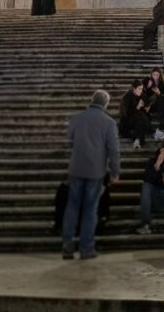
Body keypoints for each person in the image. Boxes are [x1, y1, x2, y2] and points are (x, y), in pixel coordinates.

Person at [62, 90, 121, 260]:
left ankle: (67, 247)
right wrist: (115, 172)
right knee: (90, 210)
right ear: (106, 104)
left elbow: (70, 138)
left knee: (72, 207)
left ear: (92, 100)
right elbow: (114, 150)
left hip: (76, 168)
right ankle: (86, 248)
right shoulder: (108, 122)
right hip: (95, 171)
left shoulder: (77, 117)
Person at [119, 80, 164, 148]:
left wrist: (147, 108)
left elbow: (146, 106)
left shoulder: (142, 95)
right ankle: (153, 132)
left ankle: (137, 140)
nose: (141, 90)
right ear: (134, 89)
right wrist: (137, 107)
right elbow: (125, 115)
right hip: (126, 123)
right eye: (139, 89)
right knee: (140, 115)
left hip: (138, 122)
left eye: (141, 88)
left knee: (140, 121)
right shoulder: (128, 97)